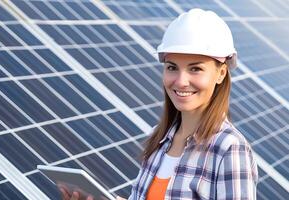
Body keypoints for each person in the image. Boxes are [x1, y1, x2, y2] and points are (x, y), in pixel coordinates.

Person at [62, 8, 258, 200]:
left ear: (221, 74)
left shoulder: (229, 148)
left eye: (196, 69)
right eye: (172, 67)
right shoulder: (160, 137)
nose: (181, 81)